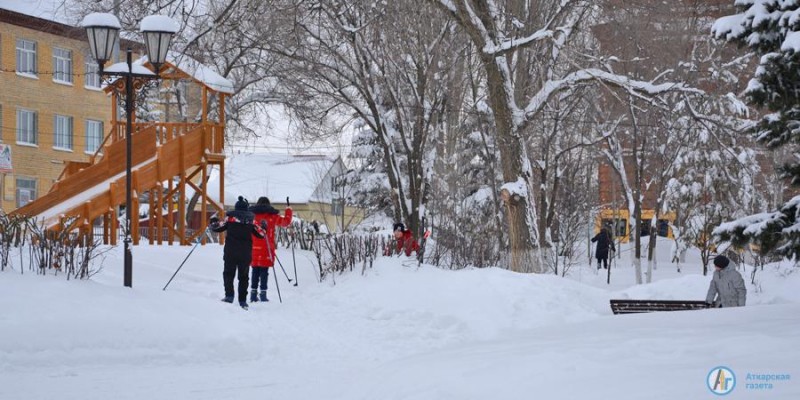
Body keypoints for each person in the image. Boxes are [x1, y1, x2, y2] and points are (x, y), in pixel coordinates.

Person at [210, 196, 265, 310]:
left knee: (228, 274)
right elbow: (261, 234)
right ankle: (242, 300)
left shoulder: (230, 219)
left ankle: (229, 296)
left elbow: (216, 228)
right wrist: (264, 226)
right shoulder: (251, 221)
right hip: (245, 254)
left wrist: (213, 221)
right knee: (243, 277)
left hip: (230, 252)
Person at [249, 197, 292, 303]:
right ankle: (263, 294)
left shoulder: (252, 216)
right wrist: (288, 210)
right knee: (264, 272)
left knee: (255, 271)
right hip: (267, 248)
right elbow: (286, 222)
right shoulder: (273, 216)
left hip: (253, 248)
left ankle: (253, 295)